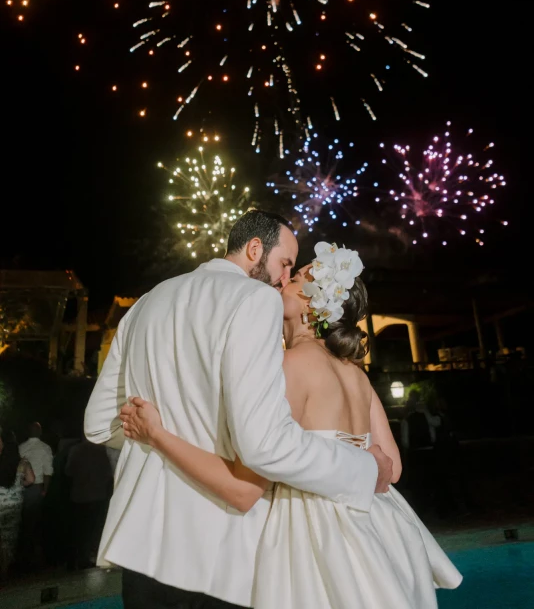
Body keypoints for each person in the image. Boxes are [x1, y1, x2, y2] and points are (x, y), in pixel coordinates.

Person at [122, 242, 462, 609]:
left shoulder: (289, 366)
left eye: (296, 278)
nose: (283, 279)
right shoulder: (355, 374)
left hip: (315, 533)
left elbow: (244, 484)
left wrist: (156, 434)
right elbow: (391, 468)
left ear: (314, 303)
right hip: (380, 527)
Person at [85, 210, 392, 609]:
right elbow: (264, 446)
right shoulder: (255, 299)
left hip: (141, 545)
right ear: (254, 249)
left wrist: (153, 433)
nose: (286, 278)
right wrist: (363, 468)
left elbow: (97, 424)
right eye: (285, 264)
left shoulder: (145, 304)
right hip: (219, 546)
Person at [65, 439, 113, 569]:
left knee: (80, 529)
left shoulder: (75, 450)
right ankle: (92, 557)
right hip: (98, 494)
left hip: (79, 495)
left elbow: (68, 471)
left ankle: (78, 558)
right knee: (95, 529)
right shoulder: (101, 451)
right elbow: (109, 473)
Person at [18, 421, 53, 570]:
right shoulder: (45, 448)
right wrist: (45, 489)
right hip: (37, 488)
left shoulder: (21, 447)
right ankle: (38, 558)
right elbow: (48, 472)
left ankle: (25, 557)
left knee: (25, 523)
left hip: (23, 487)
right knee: (38, 522)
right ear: (40, 432)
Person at [0, 430, 34, 577]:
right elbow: (31, 480)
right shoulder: (23, 463)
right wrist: (20, 485)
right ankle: (4, 570)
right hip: (13, 506)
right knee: (9, 539)